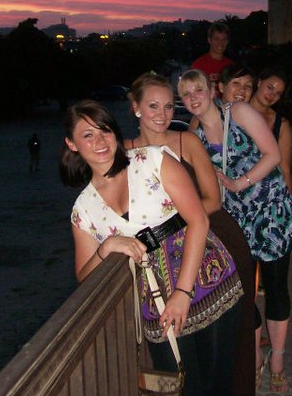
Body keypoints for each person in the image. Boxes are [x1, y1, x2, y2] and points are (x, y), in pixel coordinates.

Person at [59, 100, 243, 396]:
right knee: (180, 387)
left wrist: (183, 293)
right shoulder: (84, 209)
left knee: (218, 383)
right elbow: (84, 275)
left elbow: (198, 220)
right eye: (87, 135)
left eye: (104, 130)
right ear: (72, 144)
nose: (100, 141)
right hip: (156, 302)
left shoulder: (152, 160)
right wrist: (106, 248)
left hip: (208, 280)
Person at [127, 72, 256, 396]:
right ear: (135, 107)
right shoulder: (123, 152)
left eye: (169, 106)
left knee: (219, 372)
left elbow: (212, 200)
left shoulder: (187, 141)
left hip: (209, 253)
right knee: (183, 379)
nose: (162, 114)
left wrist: (172, 220)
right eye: (153, 105)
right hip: (158, 273)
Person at [178, 70, 292, 394]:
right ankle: (254, 358)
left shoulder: (240, 111)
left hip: (270, 210)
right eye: (186, 93)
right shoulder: (193, 134)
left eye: (198, 90)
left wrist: (238, 182)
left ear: (212, 89)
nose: (193, 98)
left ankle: (277, 361)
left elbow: (273, 154)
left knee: (276, 288)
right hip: (236, 220)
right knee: (244, 293)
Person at [249, 68, 292, 193]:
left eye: (278, 93)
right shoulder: (235, 110)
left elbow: (284, 167)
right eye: (270, 87)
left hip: (268, 191)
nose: (272, 95)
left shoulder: (281, 123)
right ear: (259, 83)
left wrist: (290, 202)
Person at [191, 22, 234, 91]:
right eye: (216, 39)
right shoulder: (198, 65)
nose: (220, 43)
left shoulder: (231, 66)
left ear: (227, 42)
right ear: (209, 40)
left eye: (224, 39)